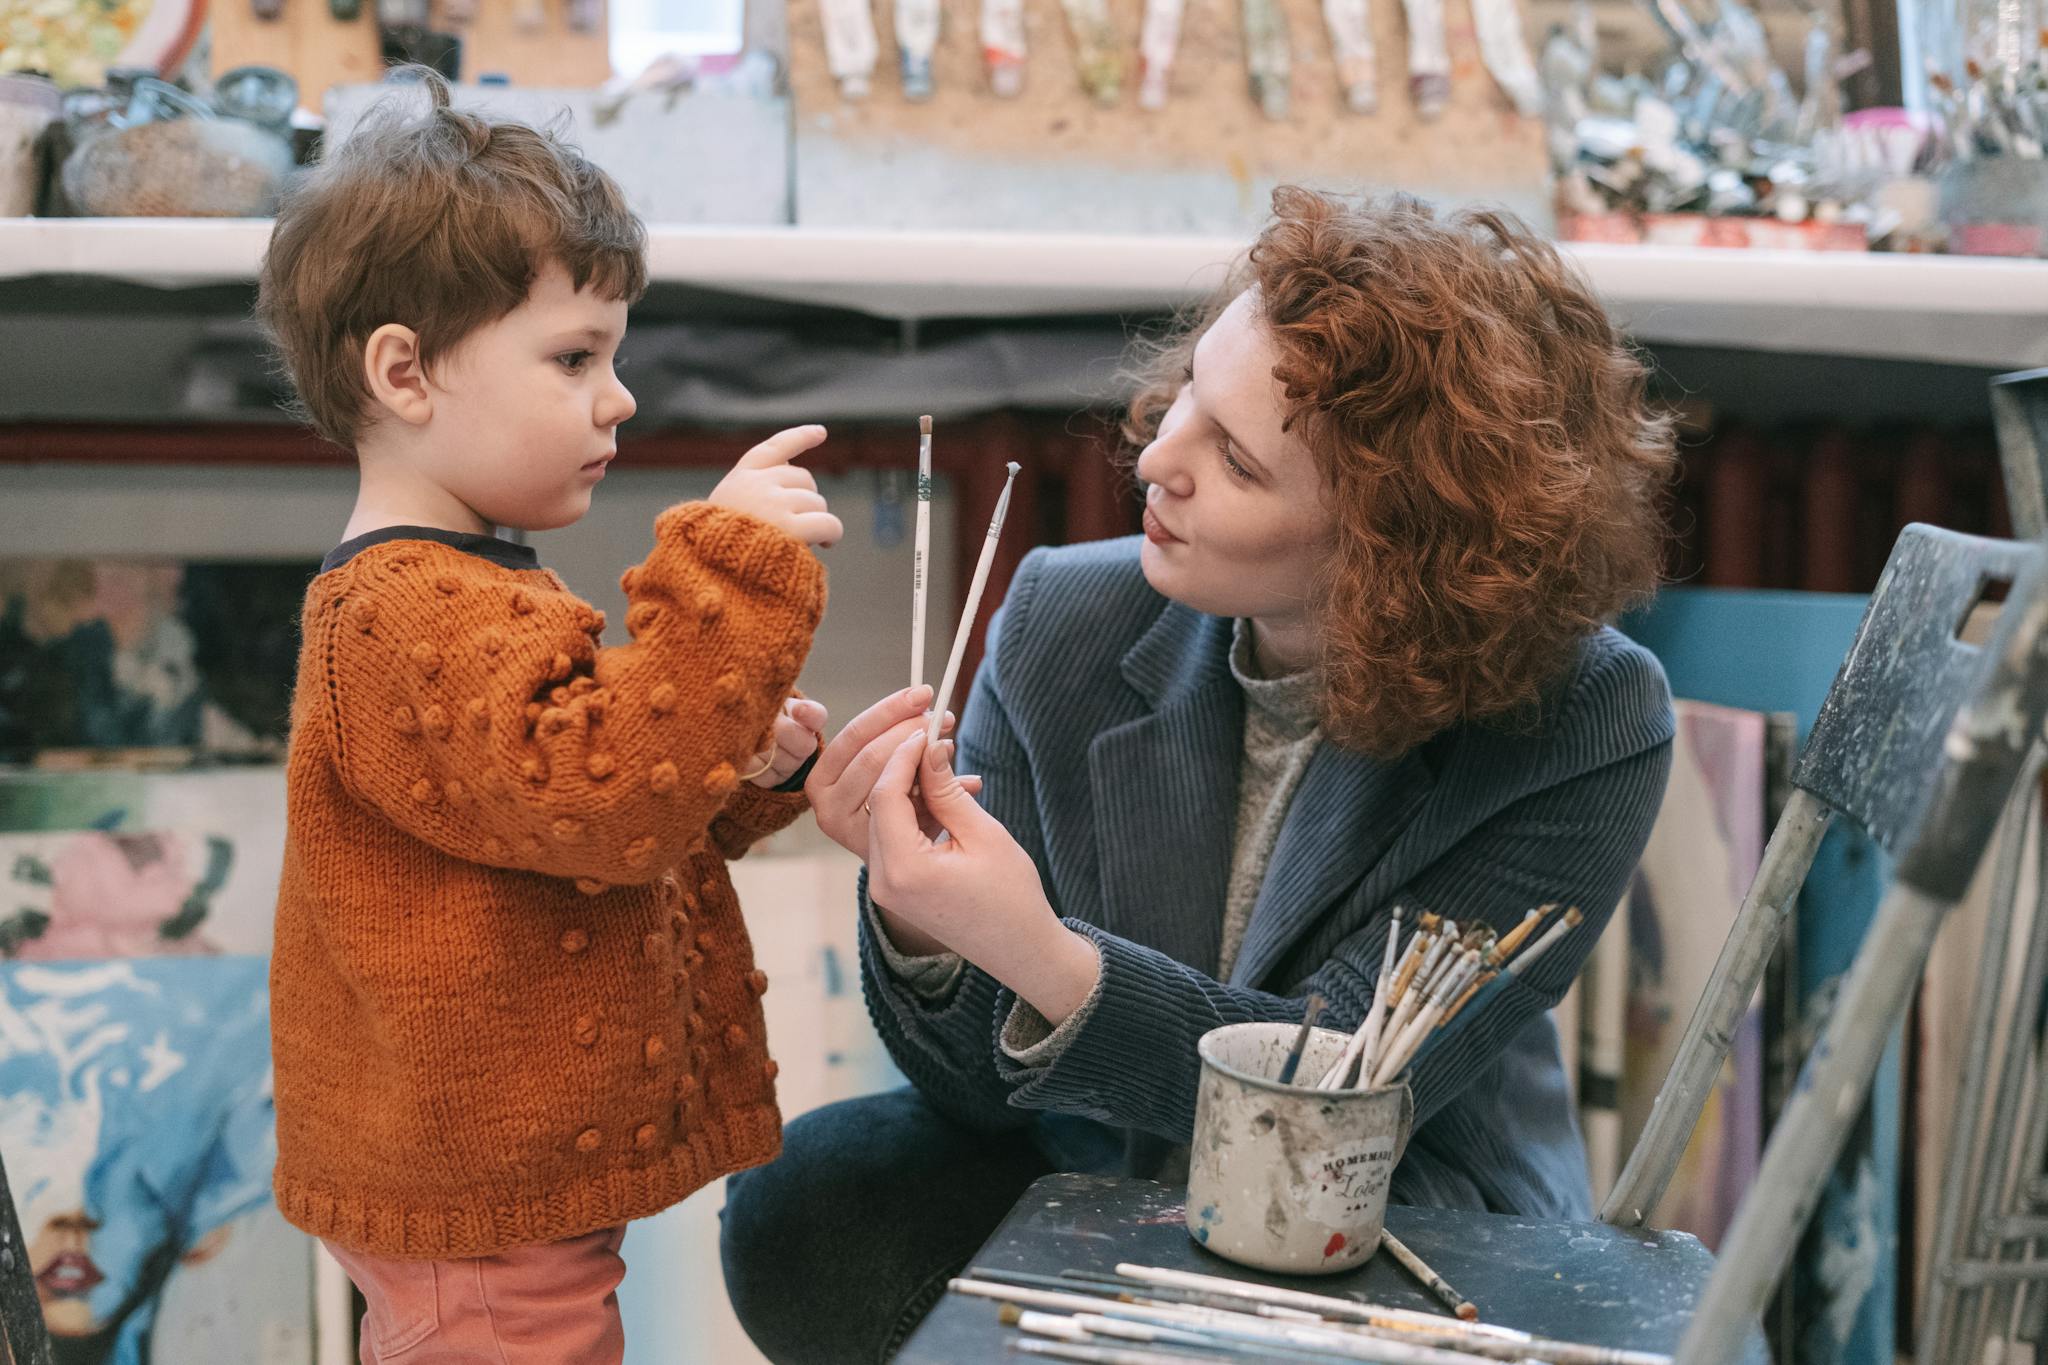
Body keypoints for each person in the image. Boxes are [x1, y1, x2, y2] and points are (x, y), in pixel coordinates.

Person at [721, 187, 1680, 1364]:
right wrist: (919, 924)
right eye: (1186, 396)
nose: (1153, 459)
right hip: (1106, 1169)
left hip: (1389, 1215)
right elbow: (974, 1093)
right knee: (813, 1197)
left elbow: (1335, 1099)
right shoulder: (1063, 617)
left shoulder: (1584, 717)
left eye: (1230, 456)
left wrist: (1043, 956)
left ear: (1390, 543)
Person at [257, 72, 842, 1364]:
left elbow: (575, 809)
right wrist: (732, 570)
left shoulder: (469, 584)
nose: (616, 396)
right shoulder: (412, 608)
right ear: (405, 372)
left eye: (612, 358)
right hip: (476, 1210)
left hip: (492, 1190)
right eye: (575, 357)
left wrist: (742, 767)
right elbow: (604, 799)